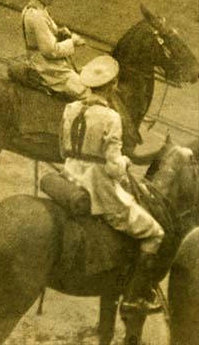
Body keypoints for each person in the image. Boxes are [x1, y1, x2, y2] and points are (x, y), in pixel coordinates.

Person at [59, 55, 165, 316]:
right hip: (97, 186)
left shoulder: (70, 109)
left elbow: (62, 149)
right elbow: (113, 167)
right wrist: (125, 162)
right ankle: (133, 297)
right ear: (113, 86)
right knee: (154, 233)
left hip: (68, 174)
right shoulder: (111, 117)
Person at [21, 0, 87, 99]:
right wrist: (72, 41)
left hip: (42, 61)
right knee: (86, 91)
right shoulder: (37, 16)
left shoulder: (36, 9)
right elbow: (51, 51)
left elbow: (44, 33)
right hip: (46, 67)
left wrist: (58, 32)